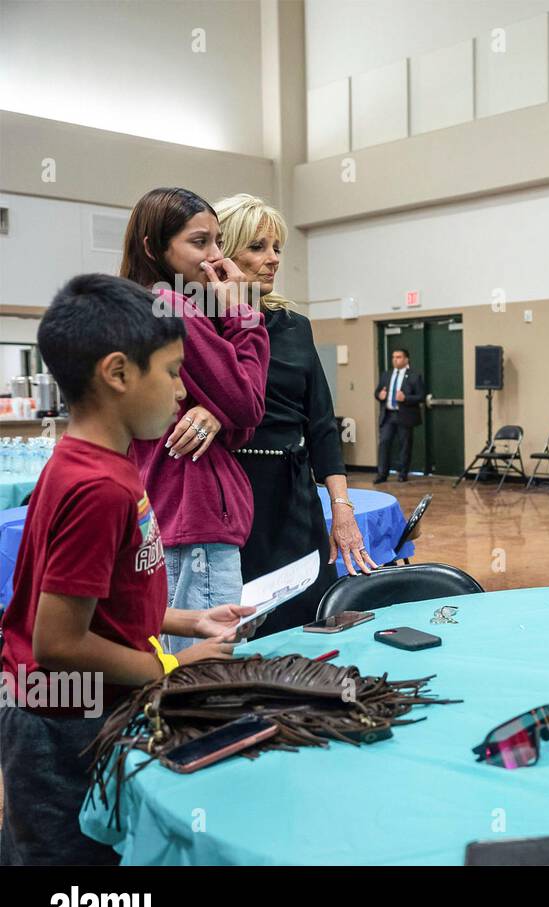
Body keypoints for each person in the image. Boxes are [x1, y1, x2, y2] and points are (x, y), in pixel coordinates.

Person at [0, 274, 254, 865]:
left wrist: (188, 621)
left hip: (86, 706)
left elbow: (102, 598)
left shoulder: (107, 465)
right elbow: (58, 640)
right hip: (59, 716)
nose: (182, 394)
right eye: (171, 373)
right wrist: (170, 662)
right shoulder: (95, 487)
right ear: (117, 374)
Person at [215, 194, 377, 635]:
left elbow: (321, 423)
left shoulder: (294, 325)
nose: (272, 260)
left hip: (293, 495)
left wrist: (340, 507)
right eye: (257, 247)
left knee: (306, 615)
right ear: (224, 254)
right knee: (242, 628)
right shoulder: (201, 326)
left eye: (277, 248)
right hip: (231, 495)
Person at [120, 187, 269, 653]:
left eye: (218, 242)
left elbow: (237, 419)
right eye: (199, 242)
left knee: (175, 654)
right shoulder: (174, 307)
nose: (214, 257)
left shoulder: (139, 303)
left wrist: (218, 416)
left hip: (170, 507)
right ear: (153, 247)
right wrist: (241, 312)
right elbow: (247, 405)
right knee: (206, 667)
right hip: (196, 510)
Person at [374, 348, 425, 483]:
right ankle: (382, 474)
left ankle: (403, 474)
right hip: (388, 415)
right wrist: (380, 395)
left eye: (399, 357)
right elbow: (377, 392)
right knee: (384, 443)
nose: (395, 360)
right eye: (393, 357)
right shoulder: (386, 374)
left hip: (405, 415)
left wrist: (405, 398)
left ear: (406, 359)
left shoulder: (414, 375)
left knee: (405, 445)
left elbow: (421, 396)